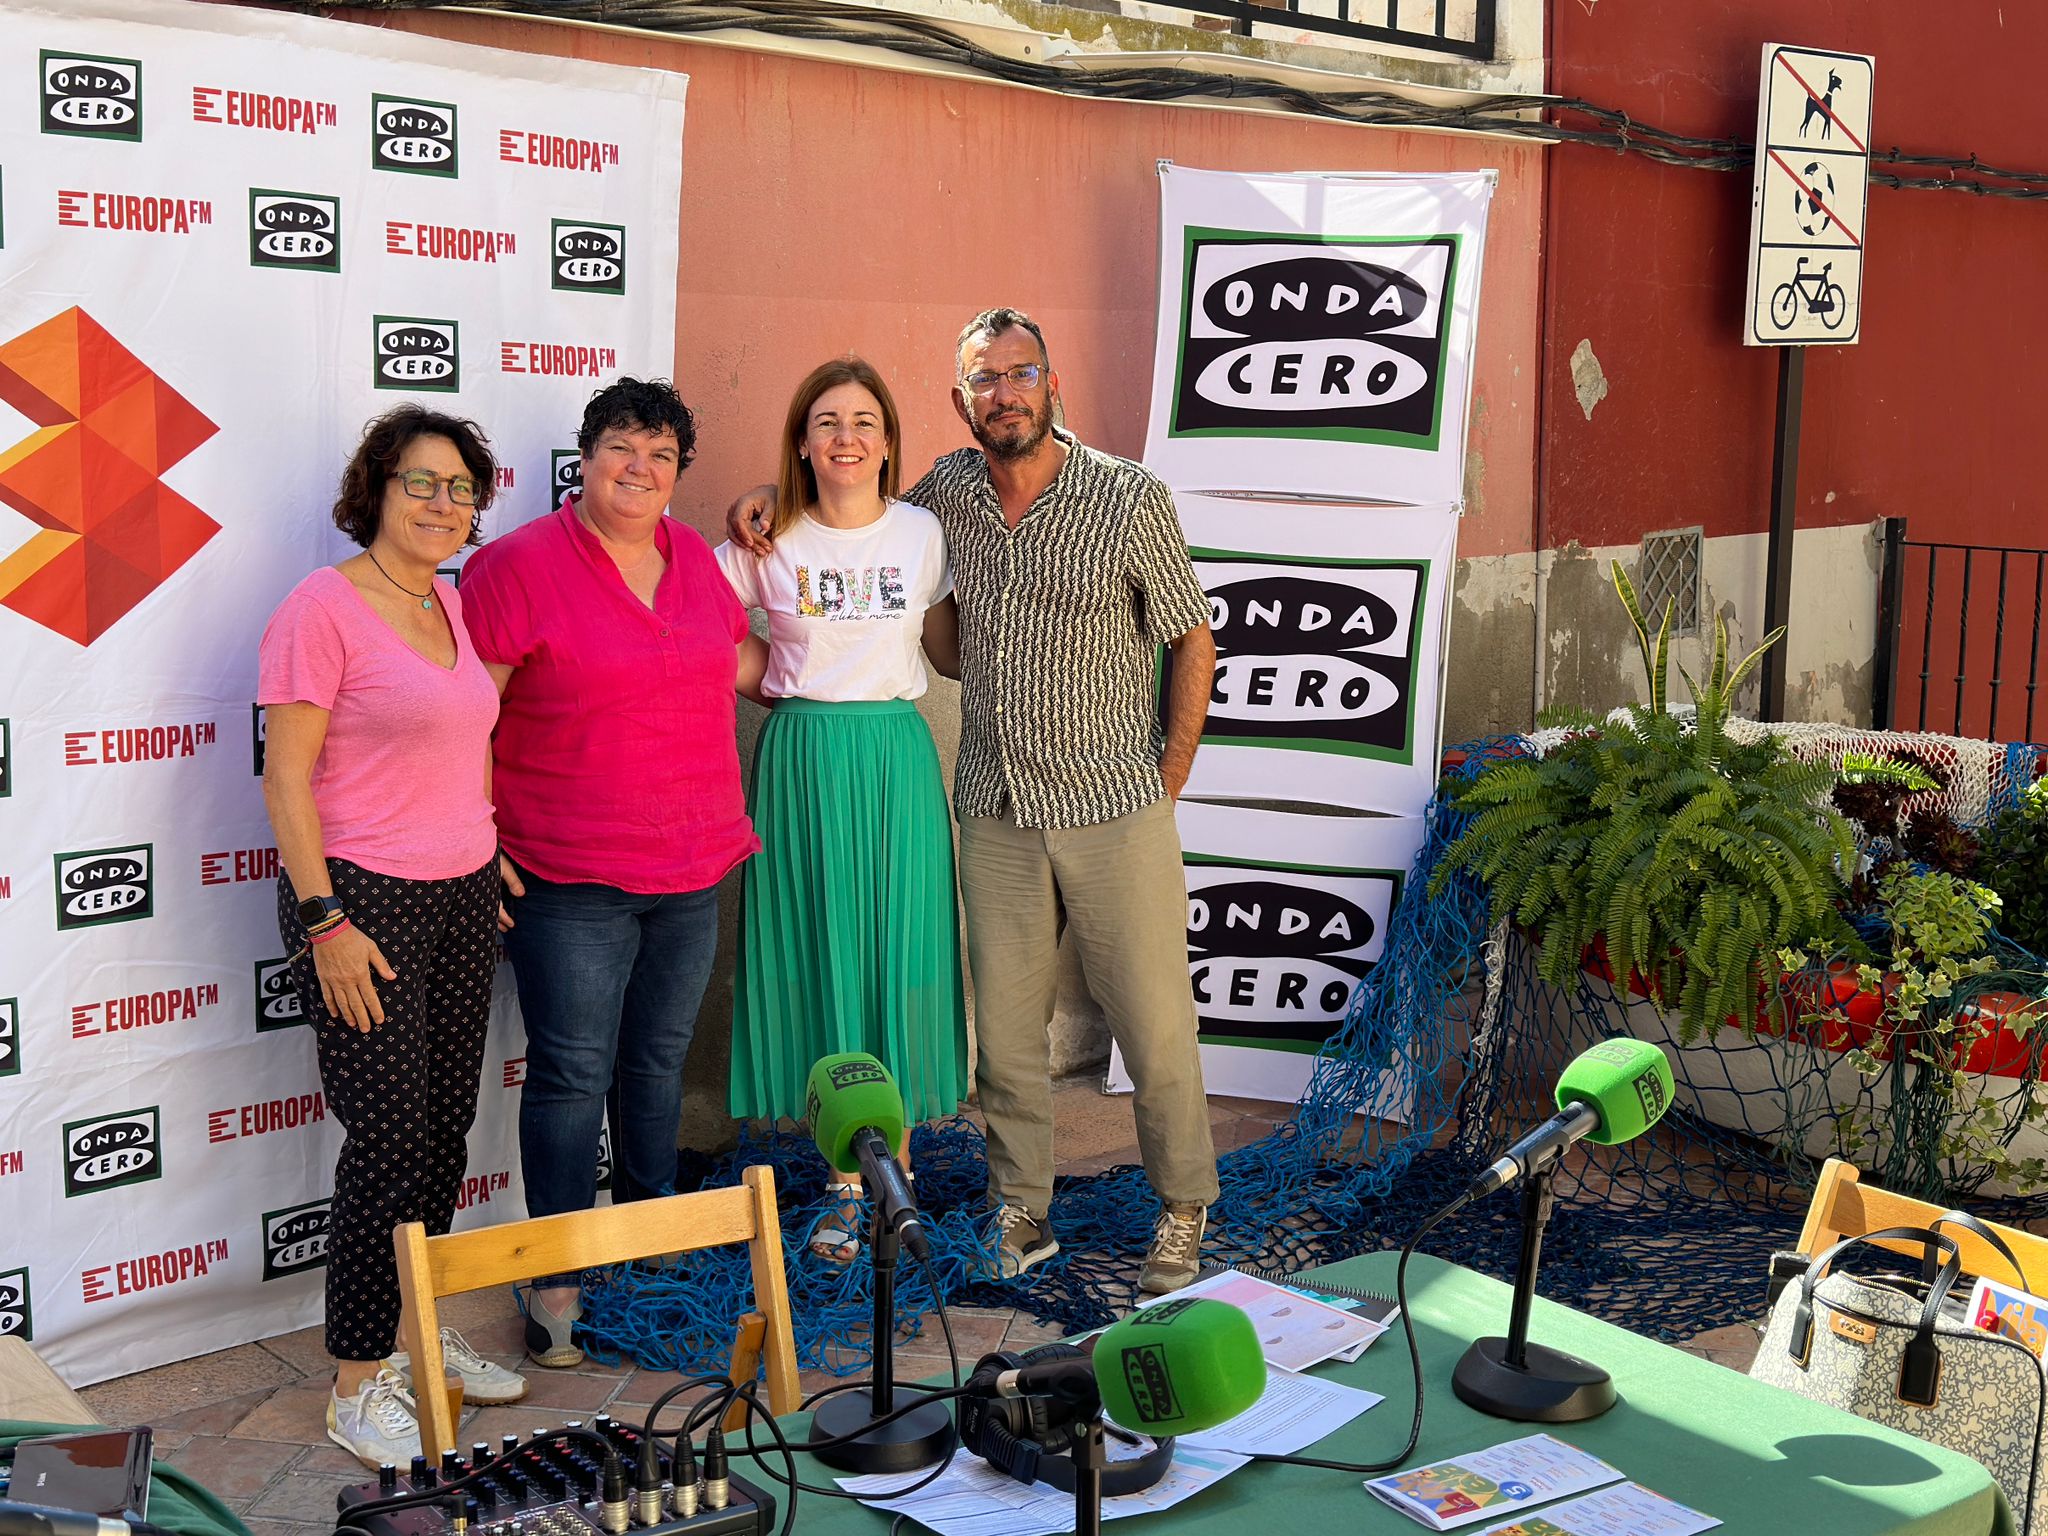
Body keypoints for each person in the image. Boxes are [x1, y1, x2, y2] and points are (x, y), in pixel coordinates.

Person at [727, 308, 1220, 1294]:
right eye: (984, 380)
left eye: (1019, 373)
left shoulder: (1128, 497)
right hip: (994, 803)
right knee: (1006, 1038)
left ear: (1049, 384)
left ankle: (1181, 1208)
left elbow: (1191, 635)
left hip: (1113, 802)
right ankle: (1020, 1207)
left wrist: (1166, 780)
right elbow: (854, 515)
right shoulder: (944, 494)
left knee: (1155, 1027)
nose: (1004, 393)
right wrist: (766, 496)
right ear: (961, 402)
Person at [461, 377, 766, 1367]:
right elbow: (467, 717)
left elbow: (745, 665)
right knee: (569, 1074)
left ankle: (649, 1242)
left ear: (677, 473)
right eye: (622, 449)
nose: (640, 469)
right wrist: (479, 837)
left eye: (661, 456)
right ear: (585, 459)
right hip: (568, 873)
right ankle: (555, 1274)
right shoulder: (515, 567)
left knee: (655, 1065)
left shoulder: (694, 561)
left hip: (693, 864)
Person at [259, 405, 527, 1471]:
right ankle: (357, 1382)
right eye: (421, 481)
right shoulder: (320, 609)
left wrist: (484, 843)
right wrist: (322, 920)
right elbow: (285, 778)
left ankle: (420, 1332)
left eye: (460, 488)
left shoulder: (448, 602)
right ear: (375, 489)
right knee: (386, 1146)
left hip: (460, 896)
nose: (442, 503)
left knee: (445, 1134)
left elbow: (461, 743)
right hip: (361, 903)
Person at [714, 357, 968, 1264]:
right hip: (804, 759)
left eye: (864, 421)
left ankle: (897, 1170)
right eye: (826, 421)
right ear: (801, 441)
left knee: (896, 952)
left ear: (889, 441)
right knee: (824, 955)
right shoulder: (768, 537)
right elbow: (701, 625)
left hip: (895, 760)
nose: (846, 437)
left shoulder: (923, 532)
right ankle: (845, 1184)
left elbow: (948, 646)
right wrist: (777, 684)